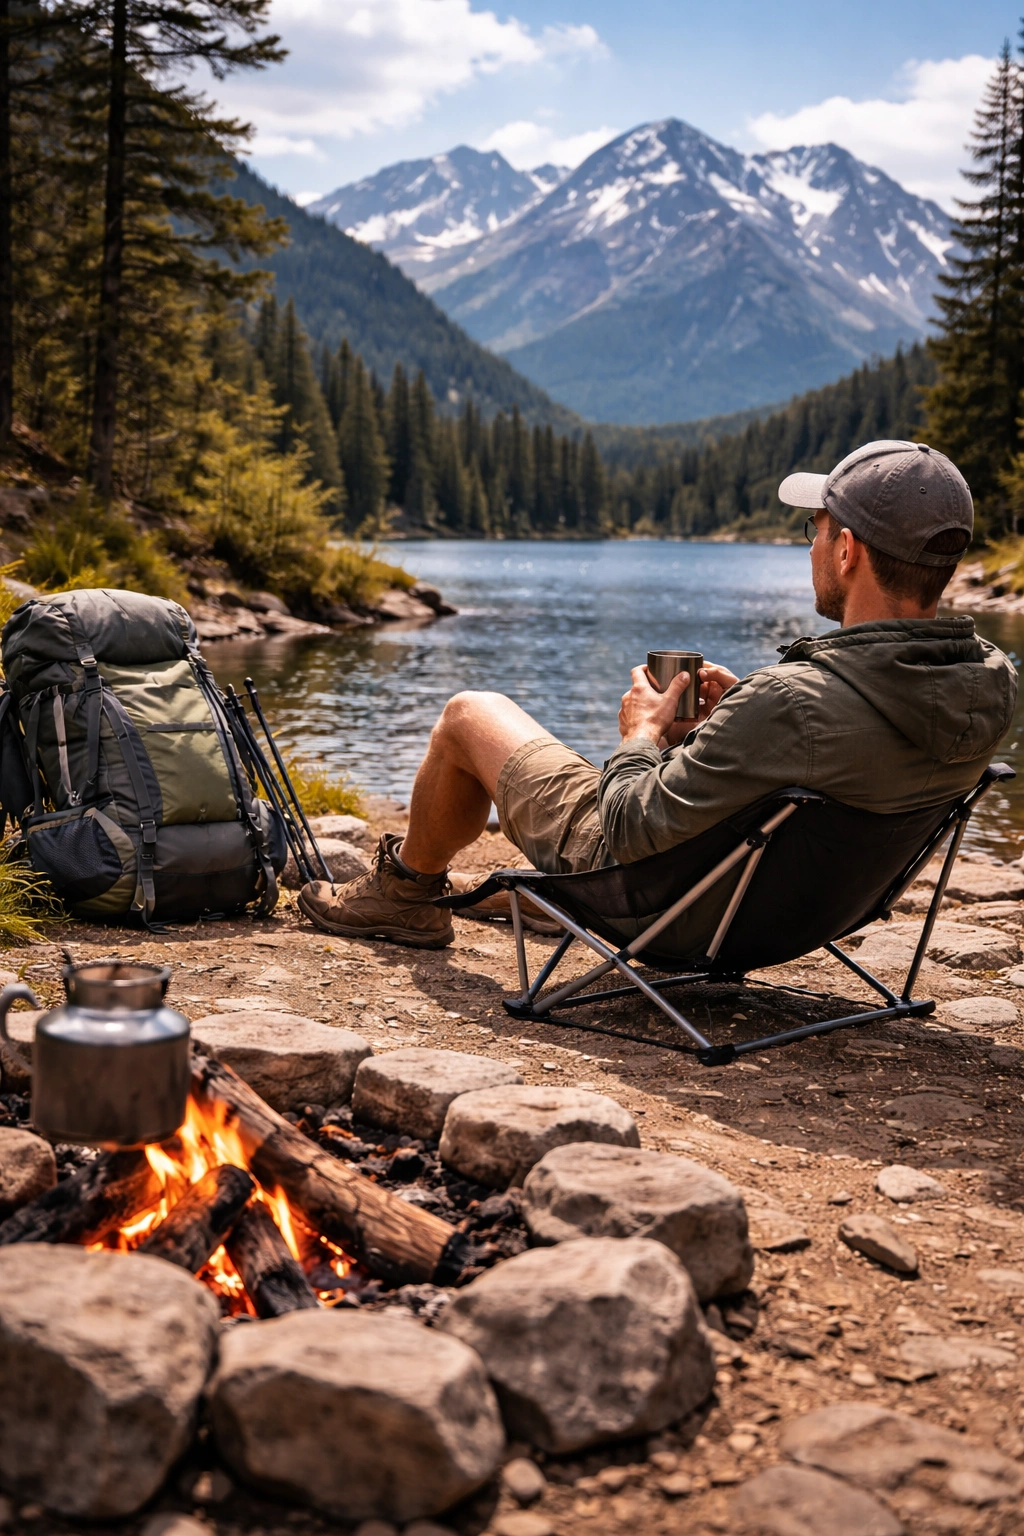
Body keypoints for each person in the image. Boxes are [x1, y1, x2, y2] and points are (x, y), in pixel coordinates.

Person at [299, 440, 1018, 948]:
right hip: (803, 916)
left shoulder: (795, 704)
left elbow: (629, 829)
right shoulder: (988, 682)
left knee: (469, 714)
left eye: (816, 527)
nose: (811, 545)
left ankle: (405, 897)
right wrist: (743, 713)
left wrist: (641, 735)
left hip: (676, 909)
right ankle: (527, 902)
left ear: (848, 549)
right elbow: (844, 746)